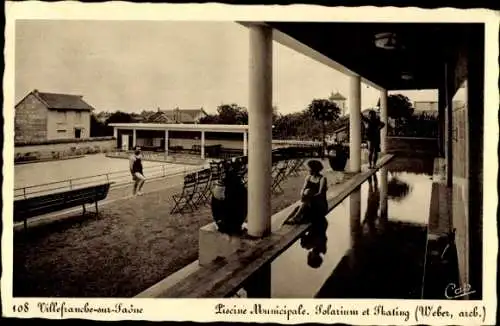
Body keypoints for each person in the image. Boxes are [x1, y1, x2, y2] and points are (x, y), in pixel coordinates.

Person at [284, 160, 328, 225]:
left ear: (314, 169)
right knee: (298, 207)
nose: (308, 170)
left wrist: (309, 198)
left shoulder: (322, 179)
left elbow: (320, 194)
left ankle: (295, 219)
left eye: (309, 169)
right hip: (309, 204)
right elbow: (303, 189)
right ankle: (289, 220)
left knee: (306, 200)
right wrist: (303, 194)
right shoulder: (308, 177)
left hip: (320, 205)